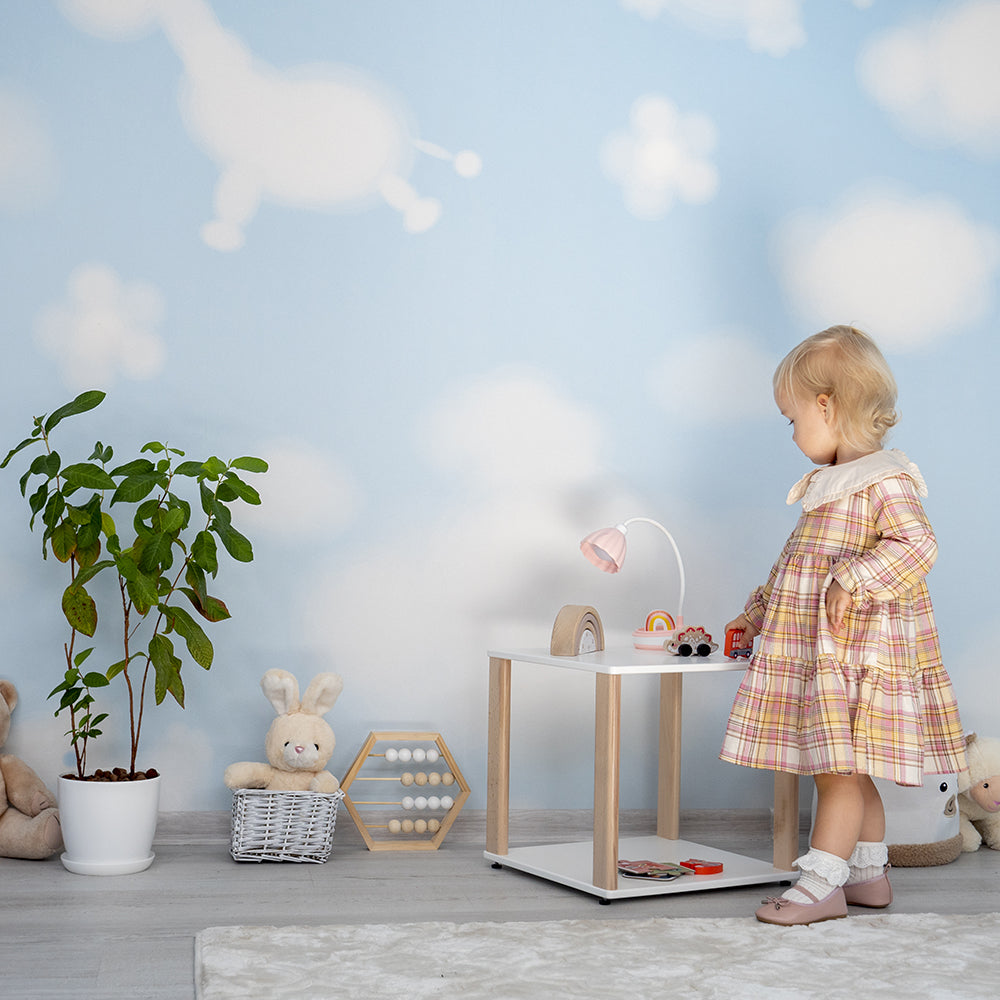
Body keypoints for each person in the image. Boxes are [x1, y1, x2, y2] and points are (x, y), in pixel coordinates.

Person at [720, 325, 966, 926]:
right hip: (825, 657)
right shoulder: (829, 489)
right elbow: (795, 568)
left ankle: (821, 885)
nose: (793, 432)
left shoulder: (886, 479)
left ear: (826, 407)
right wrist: (756, 612)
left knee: (837, 776)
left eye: (792, 418)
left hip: (855, 658)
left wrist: (853, 578)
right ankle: (867, 876)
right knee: (850, 773)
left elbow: (918, 545)